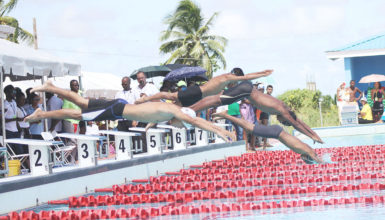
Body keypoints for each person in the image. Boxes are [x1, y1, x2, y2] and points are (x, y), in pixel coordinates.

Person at [26, 81, 235, 143]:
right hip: (118, 110)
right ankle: (42, 114)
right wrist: (218, 130)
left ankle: (51, 88)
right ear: (184, 117)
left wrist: (147, 127)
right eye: (184, 125)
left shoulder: (170, 112)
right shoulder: (177, 114)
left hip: (119, 107)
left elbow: (153, 118)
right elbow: (197, 121)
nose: (180, 128)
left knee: (81, 102)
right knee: (78, 114)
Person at [188, 68, 323, 144]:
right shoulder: (283, 111)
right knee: (217, 100)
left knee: (218, 98)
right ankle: (190, 110)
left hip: (247, 90)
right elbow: (296, 124)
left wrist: (314, 134)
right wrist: (312, 136)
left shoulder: (285, 107)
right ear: (285, 119)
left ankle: (191, 108)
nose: (280, 121)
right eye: (283, 121)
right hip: (246, 91)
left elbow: (298, 121)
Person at [212, 111, 323, 164]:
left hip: (277, 132)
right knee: (250, 128)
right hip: (277, 132)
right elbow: (318, 161)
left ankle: (225, 118)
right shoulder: (310, 152)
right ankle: (226, 115)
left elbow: (305, 158)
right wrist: (322, 163)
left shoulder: (306, 150)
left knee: (250, 128)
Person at [134, 68, 273, 107]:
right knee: (169, 96)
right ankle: (146, 99)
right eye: (235, 81)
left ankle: (150, 122)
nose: (234, 85)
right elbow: (246, 77)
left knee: (174, 108)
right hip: (197, 92)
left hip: (198, 96)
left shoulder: (226, 81)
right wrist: (262, 73)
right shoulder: (227, 77)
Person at [3, 85, 22, 154]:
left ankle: (20, 164)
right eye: (13, 91)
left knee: (19, 151)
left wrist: (18, 124)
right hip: (8, 131)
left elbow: (13, 116)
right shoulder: (4, 104)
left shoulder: (14, 102)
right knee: (9, 151)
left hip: (16, 130)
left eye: (15, 91)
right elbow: (2, 120)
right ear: (7, 93)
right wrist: (15, 119)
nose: (15, 93)